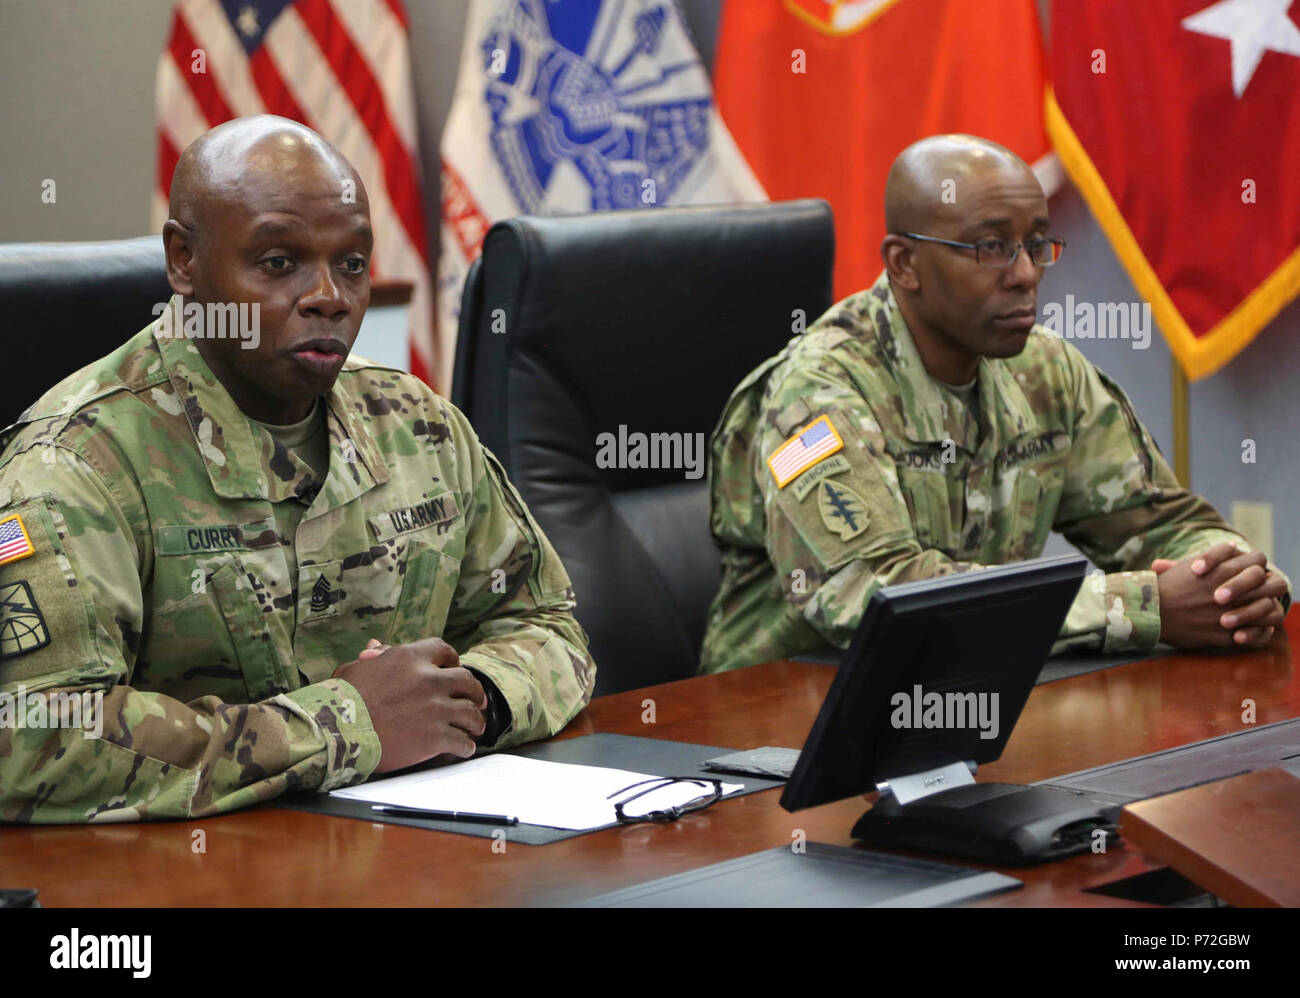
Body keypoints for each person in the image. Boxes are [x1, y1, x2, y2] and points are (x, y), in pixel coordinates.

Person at [0, 116, 595, 822]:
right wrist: (347, 725)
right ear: (184, 260)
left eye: (351, 263)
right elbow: (36, 740)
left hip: (413, 857)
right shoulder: (76, 464)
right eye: (279, 262)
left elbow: (546, 624)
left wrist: (472, 701)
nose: (330, 297)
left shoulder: (417, 423)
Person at [701, 134, 1290, 675]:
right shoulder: (819, 390)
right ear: (905, 265)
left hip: (969, 698)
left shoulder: (1045, 371)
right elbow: (879, 600)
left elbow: (1161, 524)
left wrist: (1233, 582)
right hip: (774, 728)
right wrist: (1142, 607)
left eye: (1036, 244)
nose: (1027, 274)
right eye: (991, 248)